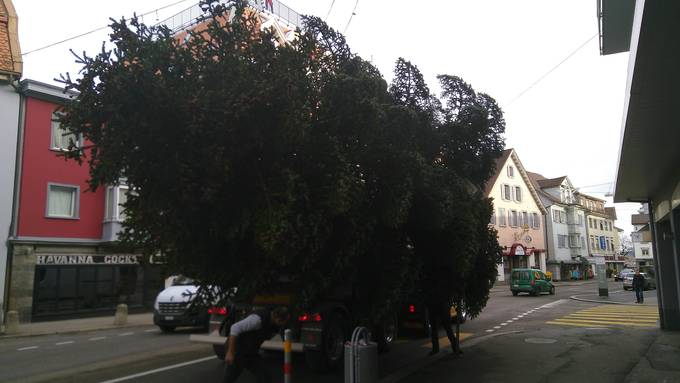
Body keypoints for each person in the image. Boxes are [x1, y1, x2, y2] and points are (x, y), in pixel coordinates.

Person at [223, 306, 290, 383]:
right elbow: (234, 328)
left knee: (264, 376)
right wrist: (230, 352)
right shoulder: (257, 319)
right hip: (237, 350)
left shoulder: (273, 323)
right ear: (278, 319)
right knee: (229, 378)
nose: (284, 324)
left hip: (250, 352)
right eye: (284, 322)